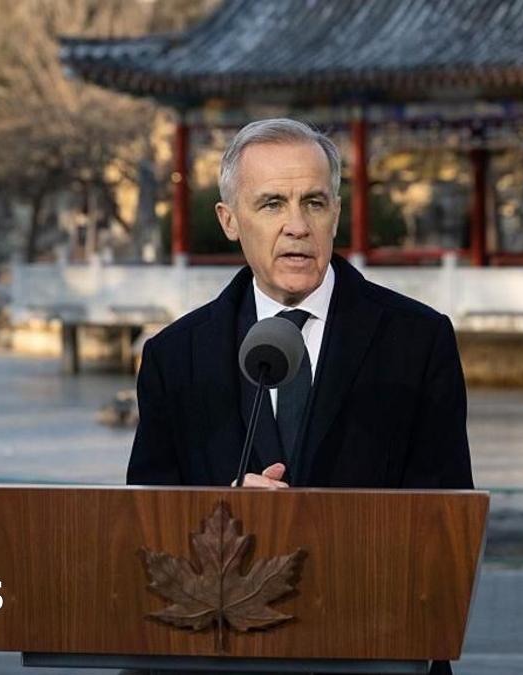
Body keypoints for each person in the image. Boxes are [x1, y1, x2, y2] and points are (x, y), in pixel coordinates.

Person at [127, 118, 472, 674]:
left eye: (313, 202)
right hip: (218, 657)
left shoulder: (417, 340)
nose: (296, 226)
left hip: (372, 648)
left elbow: (445, 518)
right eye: (271, 204)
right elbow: (143, 522)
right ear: (229, 221)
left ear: (336, 213)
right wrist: (221, 512)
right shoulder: (176, 356)